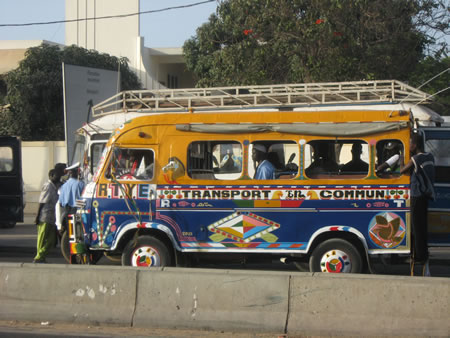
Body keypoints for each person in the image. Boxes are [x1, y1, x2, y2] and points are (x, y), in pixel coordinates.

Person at [400, 132, 435, 276]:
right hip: (425, 197)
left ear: (414, 144)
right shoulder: (429, 157)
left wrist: (401, 158)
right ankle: (423, 253)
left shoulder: (415, 158)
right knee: (422, 226)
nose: (408, 145)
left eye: (410, 143)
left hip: (416, 196)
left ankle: (419, 256)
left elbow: (403, 170)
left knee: (415, 227)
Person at [33, 169, 60, 263]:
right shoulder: (48, 186)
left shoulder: (55, 186)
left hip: (52, 217)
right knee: (42, 238)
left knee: (52, 240)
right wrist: (37, 216)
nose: (59, 177)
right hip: (44, 216)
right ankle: (39, 257)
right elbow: (41, 202)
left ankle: (40, 255)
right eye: (57, 175)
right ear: (51, 175)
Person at [58, 162, 85, 234]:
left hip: (67, 211)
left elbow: (61, 203)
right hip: (77, 211)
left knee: (70, 232)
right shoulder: (81, 184)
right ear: (76, 173)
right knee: (78, 233)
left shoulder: (64, 186)